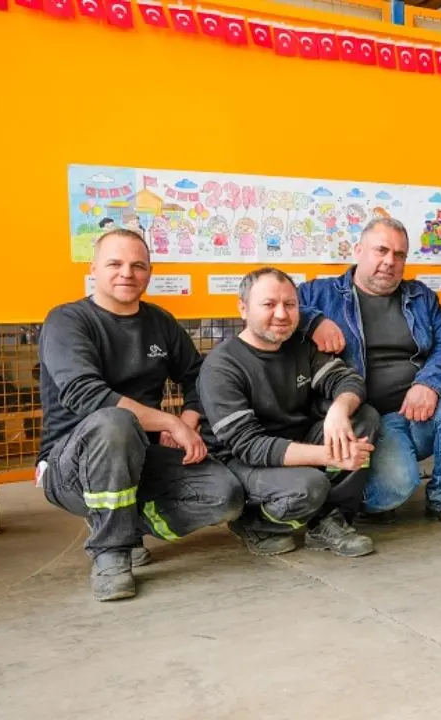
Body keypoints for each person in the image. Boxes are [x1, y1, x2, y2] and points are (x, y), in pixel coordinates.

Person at [37, 230, 243, 601]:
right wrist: (169, 422)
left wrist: (189, 419)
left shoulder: (160, 322)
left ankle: (124, 524)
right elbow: (86, 394)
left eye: (138, 265)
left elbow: (199, 376)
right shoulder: (67, 321)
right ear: (93, 269)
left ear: (150, 271)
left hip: (143, 457)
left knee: (225, 496)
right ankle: (112, 552)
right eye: (114, 264)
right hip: (72, 467)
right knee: (114, 422)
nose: (127, 273)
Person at [298, 218, 441, 530]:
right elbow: (276, 310)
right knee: (396, 488)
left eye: (399, 254)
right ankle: (364, 497)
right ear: (359, 250)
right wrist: (313, 321)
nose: (390, 261)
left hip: (420, 411)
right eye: (381, 250)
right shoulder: (318, 294)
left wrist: (428, 384)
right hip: (369, 420)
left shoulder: (420, 296)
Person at [200, 268, 381, 559]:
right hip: (242, 461)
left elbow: (347, 380)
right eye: (269, 304)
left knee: (363, 417)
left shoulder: (300, 346)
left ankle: (329, 520)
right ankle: (255, 523)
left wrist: (339, 408)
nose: (282, 314)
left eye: (290, 304)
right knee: (308, 487)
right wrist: (329, 456)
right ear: (243, 309)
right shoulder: (222, 366)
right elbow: (250, 446)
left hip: (295, 443)